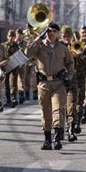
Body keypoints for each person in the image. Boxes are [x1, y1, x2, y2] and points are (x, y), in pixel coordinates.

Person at [26, 22, 75, 150]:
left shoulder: (63, 47)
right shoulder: (40, 46)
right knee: (45, 112)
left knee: (58, 110)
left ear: (58, 33)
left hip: (58, 84)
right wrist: (38, 38)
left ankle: (57, 139)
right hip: (43, 84)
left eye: (54, 31)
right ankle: (47, 140)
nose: (51, 33)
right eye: (49, 31)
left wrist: (69, 76)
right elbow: (28, 52)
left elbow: (70, 63)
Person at [3, 30, 19, 108]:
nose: (11, 38)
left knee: (13, 83)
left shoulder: (17, 46)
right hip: (6, 67)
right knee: (6, 84)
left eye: (12, 36)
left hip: (14, 67)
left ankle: (14, 99)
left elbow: (19, 55)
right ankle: (8, 100)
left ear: (14, 37)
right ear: (7, 37)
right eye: (9, 36)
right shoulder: (3, 45)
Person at [15, 28, 28, 104]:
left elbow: (27, 52)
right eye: (17, 34)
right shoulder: (13, 42)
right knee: (13, 80)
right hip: (14, 64)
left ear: (22, 35)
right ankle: (13, 95)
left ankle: (21, 94)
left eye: (20, 34)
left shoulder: (25, 43)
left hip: (22, 63)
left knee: (21, 79)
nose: (19, 35)